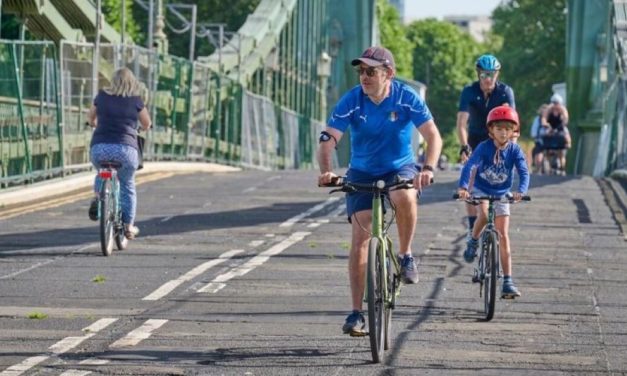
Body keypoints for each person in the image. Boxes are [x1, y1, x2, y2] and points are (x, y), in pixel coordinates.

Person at [317, 46, 442, 335]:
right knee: (360, 238)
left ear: (389, 74)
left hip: (399, 167)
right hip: (361, 171)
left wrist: (428, 168)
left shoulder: (405, 97)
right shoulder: (353, 100)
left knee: (403, 194)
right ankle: (356, 313)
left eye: (371, 71)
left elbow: (433, 136)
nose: (364, 76)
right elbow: (328, 139)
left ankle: (406, 254)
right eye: (361, 71)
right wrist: (326, 170)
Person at [456, 105, 530, 299]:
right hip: (482, 189)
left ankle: (508, 280)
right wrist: (464, 187)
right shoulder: (483, 147)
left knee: (503, 234)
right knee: (482, 213)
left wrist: (520, 191)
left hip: (503, 192)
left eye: (507, 128)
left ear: (514, 131)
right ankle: (473, 240)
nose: (503, 132)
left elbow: (523, 171)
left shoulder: (515, 150)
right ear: (491, 130)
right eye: (499, 128)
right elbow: (470, 165)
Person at [87, 67, 152, 239]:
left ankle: (98, 198)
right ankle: (129, 226)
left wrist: (95, 124)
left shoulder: (101, 96)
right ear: (132, 82)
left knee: (102, 170)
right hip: (126, 150)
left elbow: (90, 118)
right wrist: (138, 129)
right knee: (127, 184)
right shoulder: (136, 100)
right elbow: (147, 123)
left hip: (100, 148)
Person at [456, 54, 515, 240]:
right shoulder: (469, 91)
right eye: (483, 75)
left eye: (491, 75)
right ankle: (473, 225)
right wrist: (464, 146)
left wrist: (510, 149)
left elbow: (513, 123)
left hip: (497, 138)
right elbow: (461, 122)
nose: (488, 79)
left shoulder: (505, 92)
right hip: (475, 138)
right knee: (470, 177)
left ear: (497, 75)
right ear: (478, 74)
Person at [541, 93, 571, 175]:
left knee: (565, 135)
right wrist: (547, 125)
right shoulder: (548, 109)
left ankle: (562, 167)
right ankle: (550, 167)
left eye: (557, 103)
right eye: (554, 103)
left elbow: (565, 120)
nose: (555, 105)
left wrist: (560, 126)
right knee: (545, 137)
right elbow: (544, 119)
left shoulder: (562, 109)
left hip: (559, 127)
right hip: (550, 127)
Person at [530, 103, 549, 173]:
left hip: (550, 141)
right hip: (540, 141)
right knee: (536, 151)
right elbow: (533, 132)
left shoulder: (551, 119)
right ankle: (537, 167)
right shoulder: (537, 120)